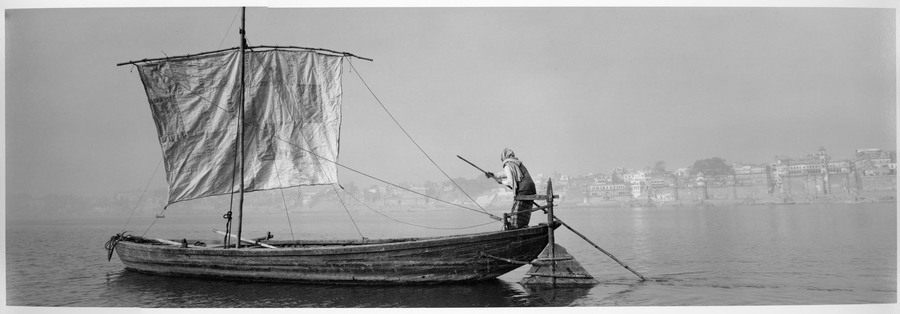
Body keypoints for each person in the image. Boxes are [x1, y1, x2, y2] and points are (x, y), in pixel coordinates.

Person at [486, 148, 535, 229]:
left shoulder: (508, 164)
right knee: (524, 210)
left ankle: (514, 228)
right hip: (531, 188)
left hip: (523, 189)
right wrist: (494, 175)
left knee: (516, 212)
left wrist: (501, 182)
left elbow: (510, 181)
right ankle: (521, 226)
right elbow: (508, 173)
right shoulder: (516, 162)